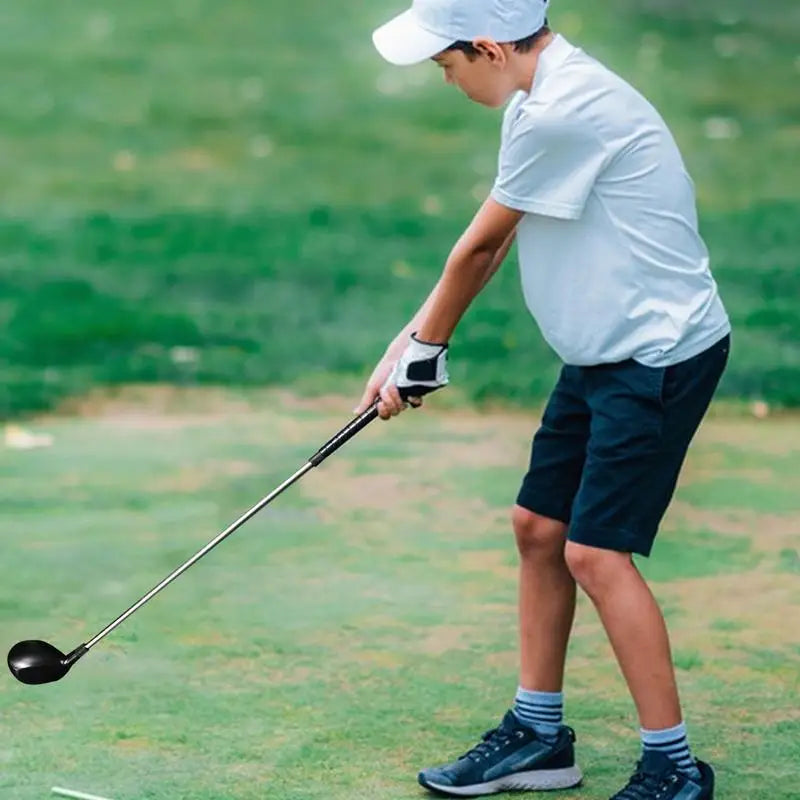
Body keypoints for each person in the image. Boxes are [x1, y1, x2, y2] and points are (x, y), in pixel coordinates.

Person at [357, 1, 730, 798]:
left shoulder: (564, 111)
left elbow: (482, 243)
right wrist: (412, 339)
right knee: (539, 528)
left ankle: (672, 766)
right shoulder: (537, 98)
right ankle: (537, 733)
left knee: (594, 552)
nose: (446, 78)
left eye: (446, 63)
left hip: (656, 353)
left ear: (489, 46)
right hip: (601, 349)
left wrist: (427, 351)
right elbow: (496, 235)